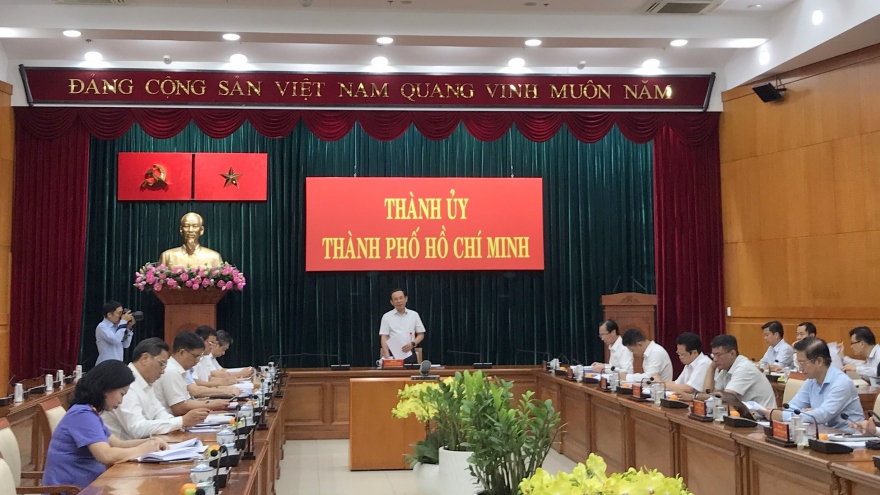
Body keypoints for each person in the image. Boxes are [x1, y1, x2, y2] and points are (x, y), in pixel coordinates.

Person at [41, 360, 168, 489]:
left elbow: (118, 444)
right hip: (71, 491)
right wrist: (142, 449)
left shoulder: (90, 412)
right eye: (122, 394)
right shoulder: (82, 414)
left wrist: (151, 442)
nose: (121, 401)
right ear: (107, 388)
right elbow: (105, 455)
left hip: (88, 487)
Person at [102, 338, 211, 440]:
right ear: (145, 359)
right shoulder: (125, 383)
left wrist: (178, 423)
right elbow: (137, 429)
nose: (163, 371)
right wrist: (181, 421)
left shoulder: (146, 382)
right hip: (123, 449)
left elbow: (159, 412)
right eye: (161, 364)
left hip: (144, 444)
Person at [759, 337, 864, 430]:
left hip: (849, 437)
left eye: (803, 363)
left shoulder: (842, 383)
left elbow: (823, 415)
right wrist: (777, 413)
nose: (800, 368)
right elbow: (794, 406)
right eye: (798, 363)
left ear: (819, 361)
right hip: (823, 433)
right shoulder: (811, 381)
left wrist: (782, 416)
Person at [154, 331, 232, 415]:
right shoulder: (171, 371)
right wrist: (211, 405)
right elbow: (179, 408)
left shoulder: (180, 370)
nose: (197, 361)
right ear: (182, 353)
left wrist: (210, 401)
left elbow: (188, 401)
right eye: (196, 356)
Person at [703, 334, 777, 410]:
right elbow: (709, 394)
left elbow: (724, 398)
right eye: (713, 355)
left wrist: (697, 396)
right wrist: (712, 367)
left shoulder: (744, 368)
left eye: (718, 355)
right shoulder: (726, 368)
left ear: (732, 354)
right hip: (746, 413)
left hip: (763, 415)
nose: (715, 359)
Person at [158, 212, 223, 268]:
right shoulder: (167, 256)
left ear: (201, 230)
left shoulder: (214, 257)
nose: (190, 230)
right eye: (186, 226)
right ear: (181, 230)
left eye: (195, 226)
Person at [379, 289, 425, 364]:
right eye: (396, 299)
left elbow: (421, 334)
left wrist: (413, 344)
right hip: (393, 353)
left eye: (401, 298)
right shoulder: (386, 316)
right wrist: (387, 355)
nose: (399, 301)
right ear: (391, 302)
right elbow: (384, 337)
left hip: (410, 351)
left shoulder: (414, 315)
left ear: (406, 299)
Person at [95, 301, 135, 365]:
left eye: (122, 313)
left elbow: (126, 345)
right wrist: (123, 322)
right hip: (106, 365)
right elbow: (115, 340)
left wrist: (128, 328)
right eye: (119, 313)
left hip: (118, 364)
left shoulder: (119, 326)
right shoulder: (102, 327)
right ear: (109, 315)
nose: (121, 316)